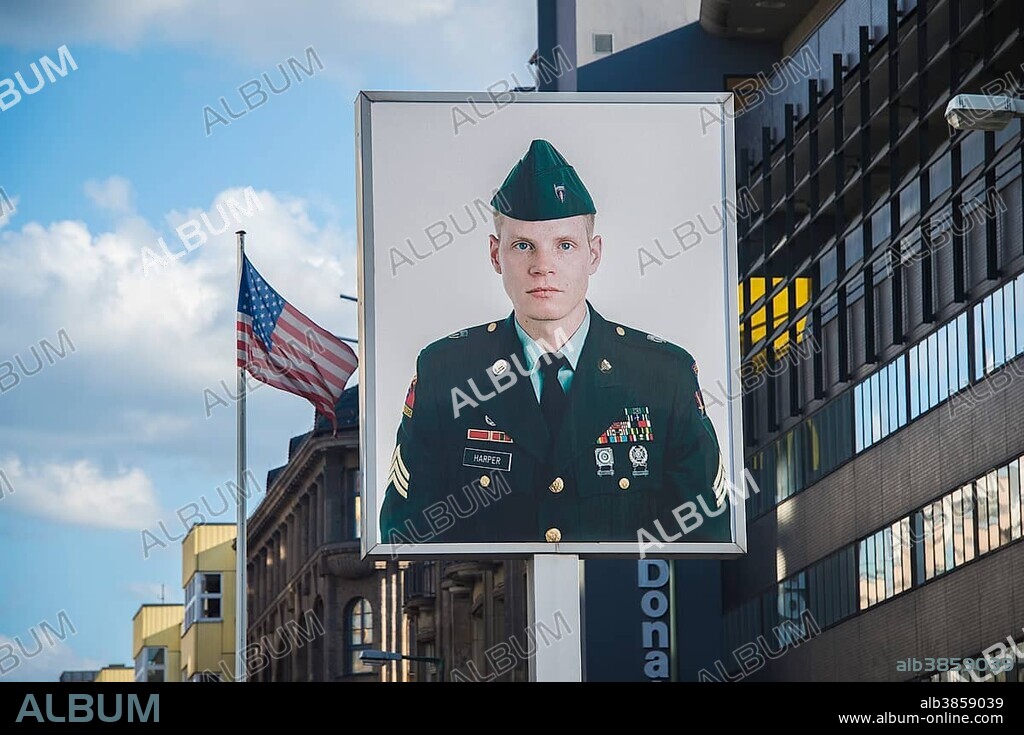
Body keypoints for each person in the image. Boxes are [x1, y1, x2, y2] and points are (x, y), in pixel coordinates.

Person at [379, 139, 729, 545]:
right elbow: (405, 536)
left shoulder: (662, 376)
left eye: (564, 246)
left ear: (593, 255)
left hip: (624, 608)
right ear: (496, 255)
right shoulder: (446, 373)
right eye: (523, 245)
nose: (543, 266)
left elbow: (708, 536)